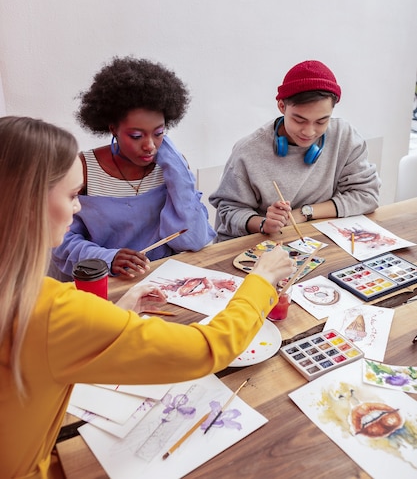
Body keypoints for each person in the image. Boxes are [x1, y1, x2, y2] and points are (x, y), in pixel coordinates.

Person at [0, 115, 294, 479]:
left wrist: (117, 311)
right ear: (26, 203)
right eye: (73, 196)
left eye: (159, 135)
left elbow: (197, 235)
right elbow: (206, 349)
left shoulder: (35, 301)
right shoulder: (51, 309)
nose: (77, 208)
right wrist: (262, 279)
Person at [50, 56, 216, 280]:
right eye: (136, 136)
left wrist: (176, 168)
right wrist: (108, 258)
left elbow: (192, 239)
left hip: (162, 282)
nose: (149, 146)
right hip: (103, 287)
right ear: (113, 129)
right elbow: (60, 244)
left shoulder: (171, 167)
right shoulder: (83, 169)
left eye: (159, 133)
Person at [210, 60, 380, 241]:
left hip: (312, 239)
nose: (309, 132)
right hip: (257, 244)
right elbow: (228, 210)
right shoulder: (248, 151)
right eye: (299, 120)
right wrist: (264, 223)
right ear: (282, 106)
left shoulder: (344, 137)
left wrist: (304, 213)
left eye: (322, 121)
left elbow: (366, 195)